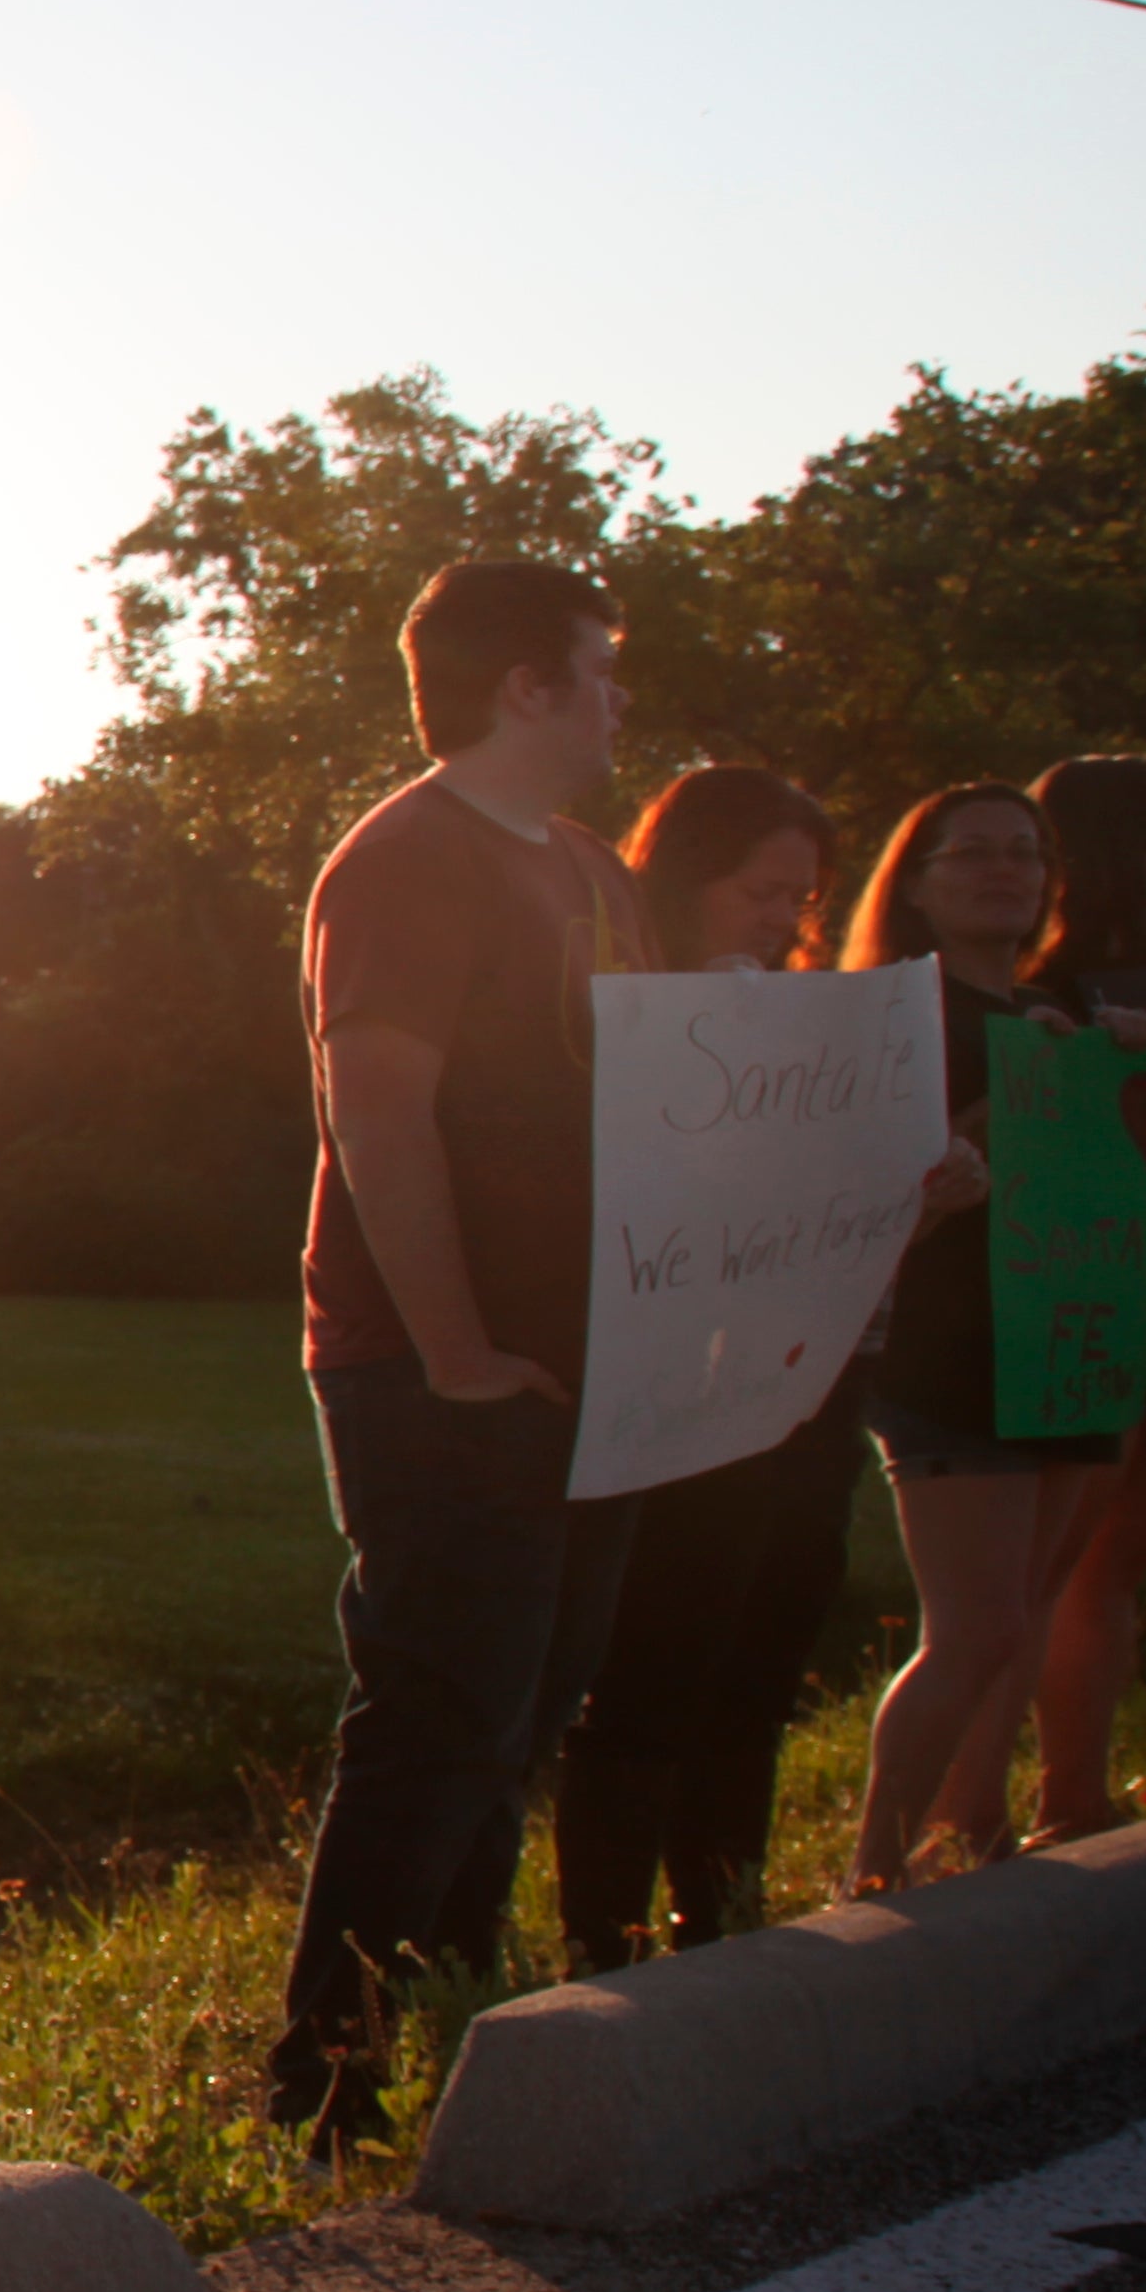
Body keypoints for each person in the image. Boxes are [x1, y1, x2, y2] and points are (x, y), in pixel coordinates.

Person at [265, 558, 650, 2149]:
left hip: (583, 1359)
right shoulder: (410, 859)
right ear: (525, 691)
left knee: (526, 1708)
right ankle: (327, 2091)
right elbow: (379, 1111)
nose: (624, 698)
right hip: (439, 1365)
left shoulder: (590, 869)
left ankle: (448, 2026)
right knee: (438, 1712)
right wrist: (457, 1352)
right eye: (602, 669)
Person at [543, 765, 863, 1966]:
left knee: (762, 1658)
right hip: (675, 1388)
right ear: (686, 879)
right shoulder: (617, 1008)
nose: (784, 919)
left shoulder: (820, 1028)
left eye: (803, 898)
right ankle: (606, 1947)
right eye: (760, 891)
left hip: (805, 1397)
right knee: (654, 1667)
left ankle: (721, 1926)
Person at [838, 781, 1110, 1893]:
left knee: (1021, 1617)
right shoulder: (894, 1017)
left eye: (1026, 853)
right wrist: (1027, 1091)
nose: (1007, 871)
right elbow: (874, 1186)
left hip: (1067, 1344)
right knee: (976, 1626)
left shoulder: (1054, 1011)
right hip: (951, 1354)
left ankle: (972, 1829)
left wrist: (1112, 1064)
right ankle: (872, 1871)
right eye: (974, 854)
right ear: (915, 879)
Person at [1016, 754, 1146, 1840]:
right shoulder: (1038, 985)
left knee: (1116, 1568)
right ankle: (963, 1812)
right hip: (1079, 1312)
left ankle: (1071, 1800)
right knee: (1044, 1570)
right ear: (1120, 849)